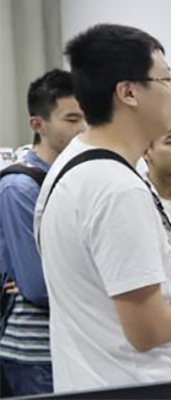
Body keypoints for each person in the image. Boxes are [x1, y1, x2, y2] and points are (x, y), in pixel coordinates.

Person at [35, 23, 171, 393]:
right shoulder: (118, 189)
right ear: (129, 92)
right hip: (140, 384)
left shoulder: (69, 166)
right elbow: (147, 331)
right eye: (167, 80)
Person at [0, 69, 85, 396]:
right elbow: (37, 285)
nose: (83, 128)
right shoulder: (19, 186)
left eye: (86, 117)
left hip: (76, 340)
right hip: (35, 351)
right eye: (72, 119)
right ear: (38, 124)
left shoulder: (75, 176)